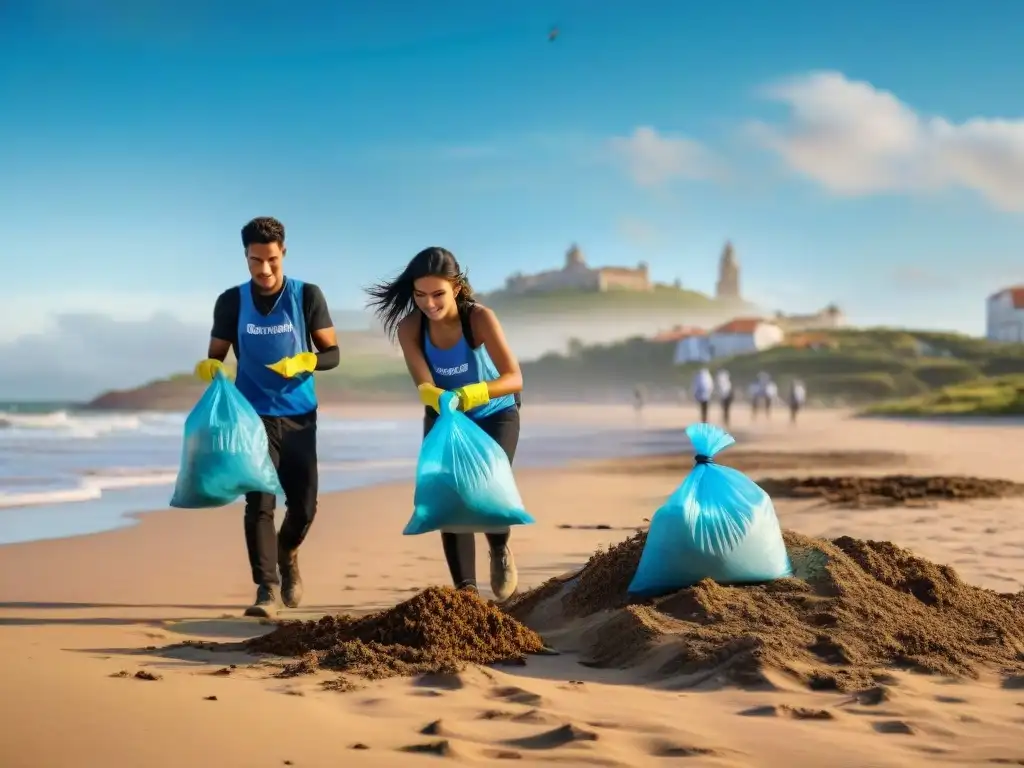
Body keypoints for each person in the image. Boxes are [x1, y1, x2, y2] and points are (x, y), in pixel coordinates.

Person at [194, 216, 339, 619]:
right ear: (245, 257)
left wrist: (307, 360)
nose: (264, 269)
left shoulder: (306, 296)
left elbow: (333, 353)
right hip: (251, 416)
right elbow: (215, 357)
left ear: (284, 253)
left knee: (304, 507)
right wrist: (210, 369)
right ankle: (266, 589)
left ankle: (287, 553)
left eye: (272, 259)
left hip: (299, 416)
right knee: (259, 501)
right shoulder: (231, 301)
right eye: (256, 260)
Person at [366, 247, 524, 601]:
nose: (429, 304)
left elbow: (514, 378)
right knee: (448, 499)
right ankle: (465, 595)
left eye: (438, 294)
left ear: (456, 287)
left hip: (495, 413)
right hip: (444, 413)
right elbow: (423, 384)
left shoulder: (479, 318)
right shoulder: (410, 327)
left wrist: (471, 394)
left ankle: (499, 548)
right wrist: (439, 398)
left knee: (485, 489)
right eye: (420, 295)